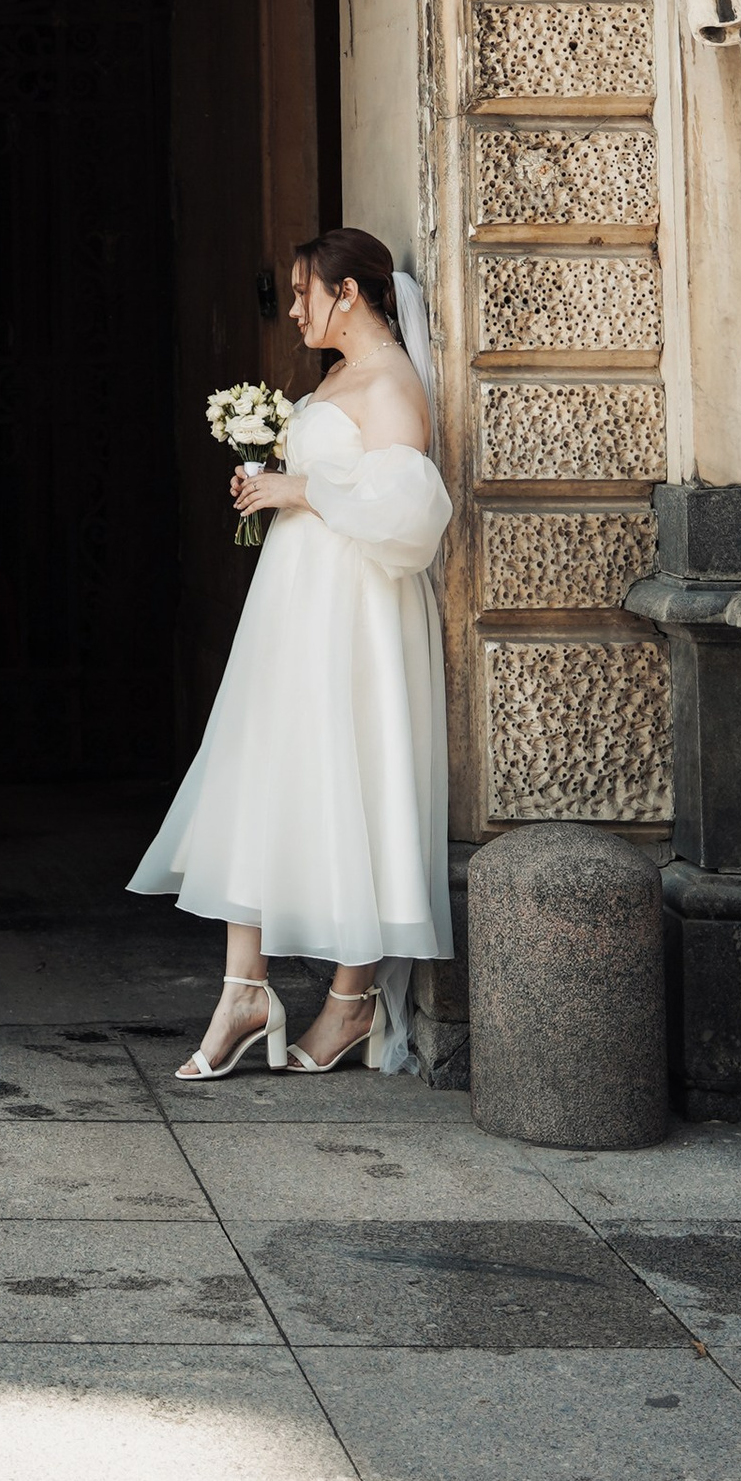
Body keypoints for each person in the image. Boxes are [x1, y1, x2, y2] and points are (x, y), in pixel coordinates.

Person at [129, 225, 452, 1083]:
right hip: (296, 603)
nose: (296, 308)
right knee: (261, 771)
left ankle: (352, 1000)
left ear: (350, 293)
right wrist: (269, 484)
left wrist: (299, 486)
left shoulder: (392, 384)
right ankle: (245, 988)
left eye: (307, 292)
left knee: (355, 778)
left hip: (354, 612)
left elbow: (409, 513)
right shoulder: (339, 377)